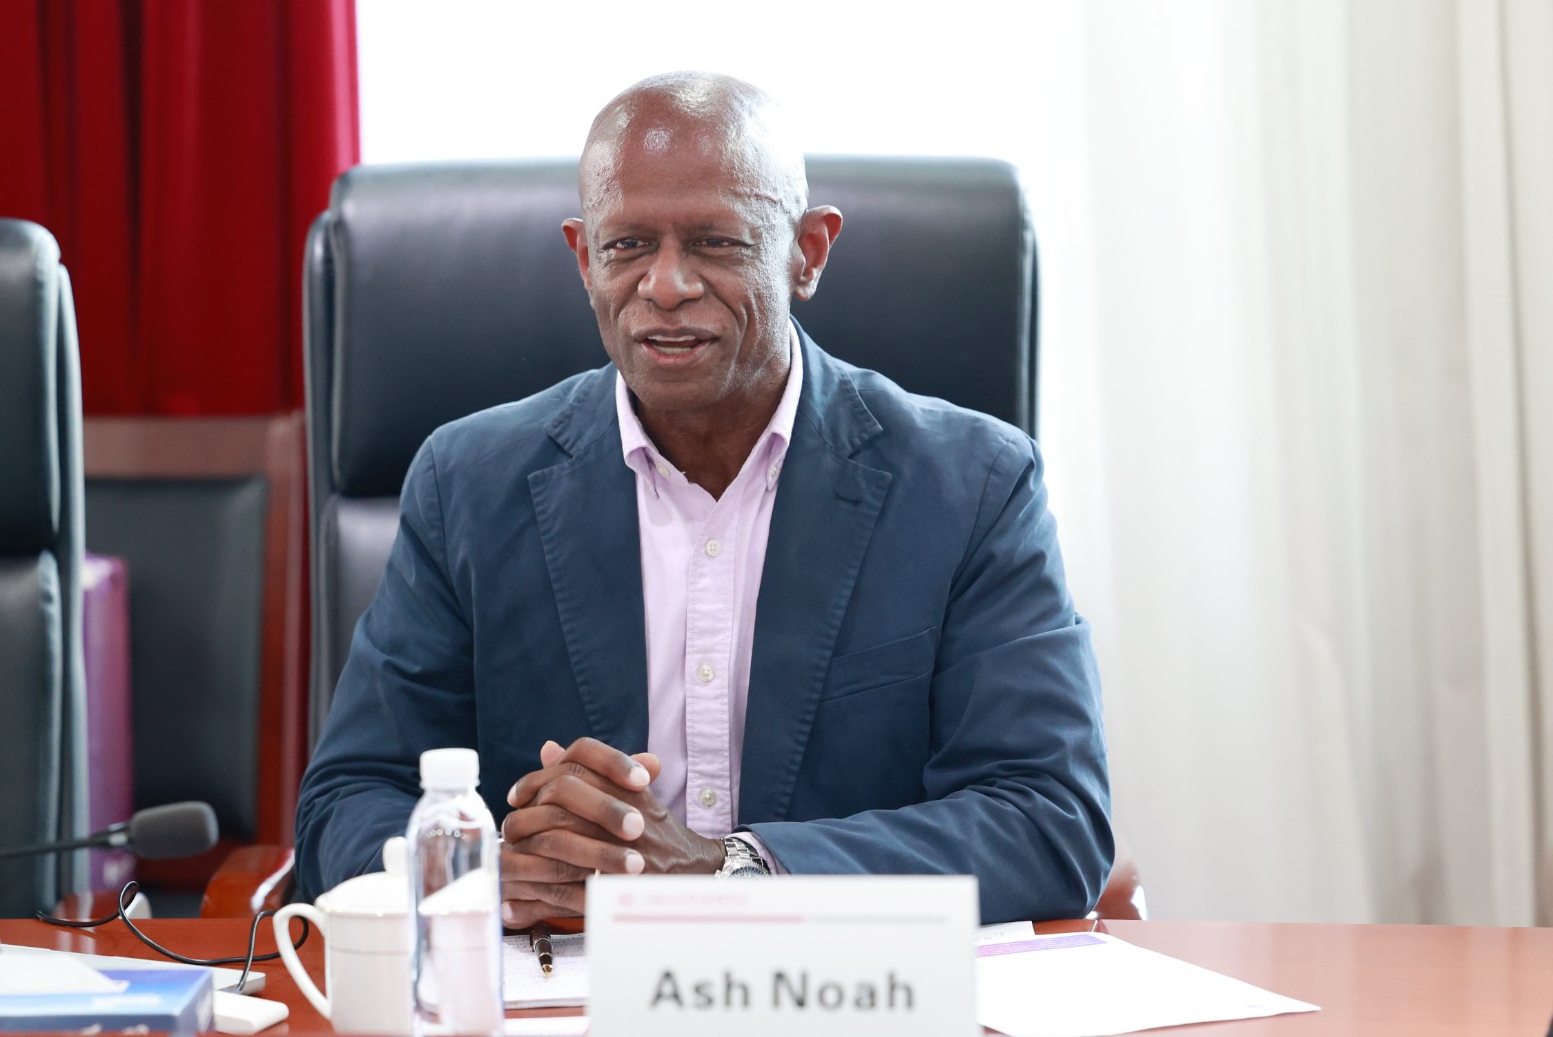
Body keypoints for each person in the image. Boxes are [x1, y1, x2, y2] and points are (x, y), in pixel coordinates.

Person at [295, 72, 1112, 925]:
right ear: (584, 259)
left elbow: (1049, 820)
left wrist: (729, 873)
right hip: (565, 982)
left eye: (716, 243)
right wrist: (487, 872)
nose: (666, 285)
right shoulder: (466, 483)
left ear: (808, 253)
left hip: (838, 981)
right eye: (627, 246)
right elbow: (344, 807)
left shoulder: (973, 486)